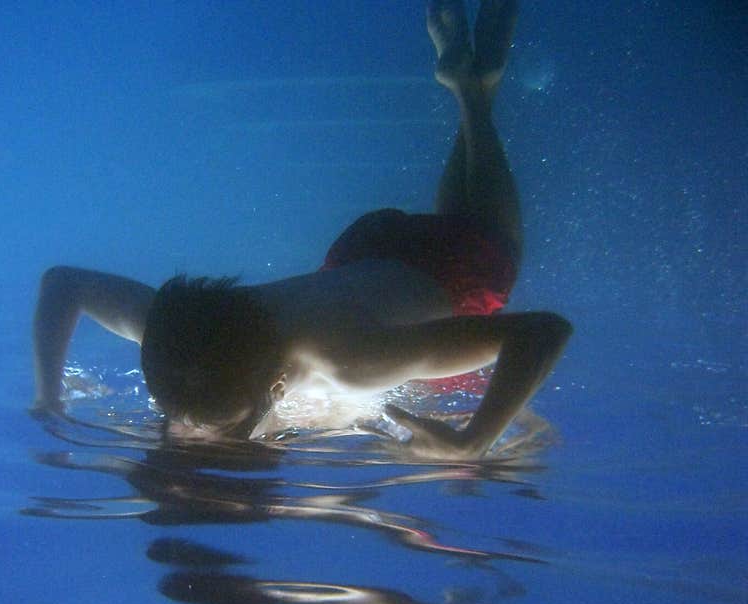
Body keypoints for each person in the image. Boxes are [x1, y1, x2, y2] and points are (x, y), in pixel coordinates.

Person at [31, 0, 571, 461]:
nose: (195, 429)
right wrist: (47, 399)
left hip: (458, 272)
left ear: (277, 386)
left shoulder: (353, 362)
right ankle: (471, 84)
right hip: (364, 252)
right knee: (466, 212)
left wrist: (473, 440)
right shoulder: (184, 329)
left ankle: (472, 93)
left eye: (229, 423)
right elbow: (62, 283)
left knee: (485, 233)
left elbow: (541, 331)